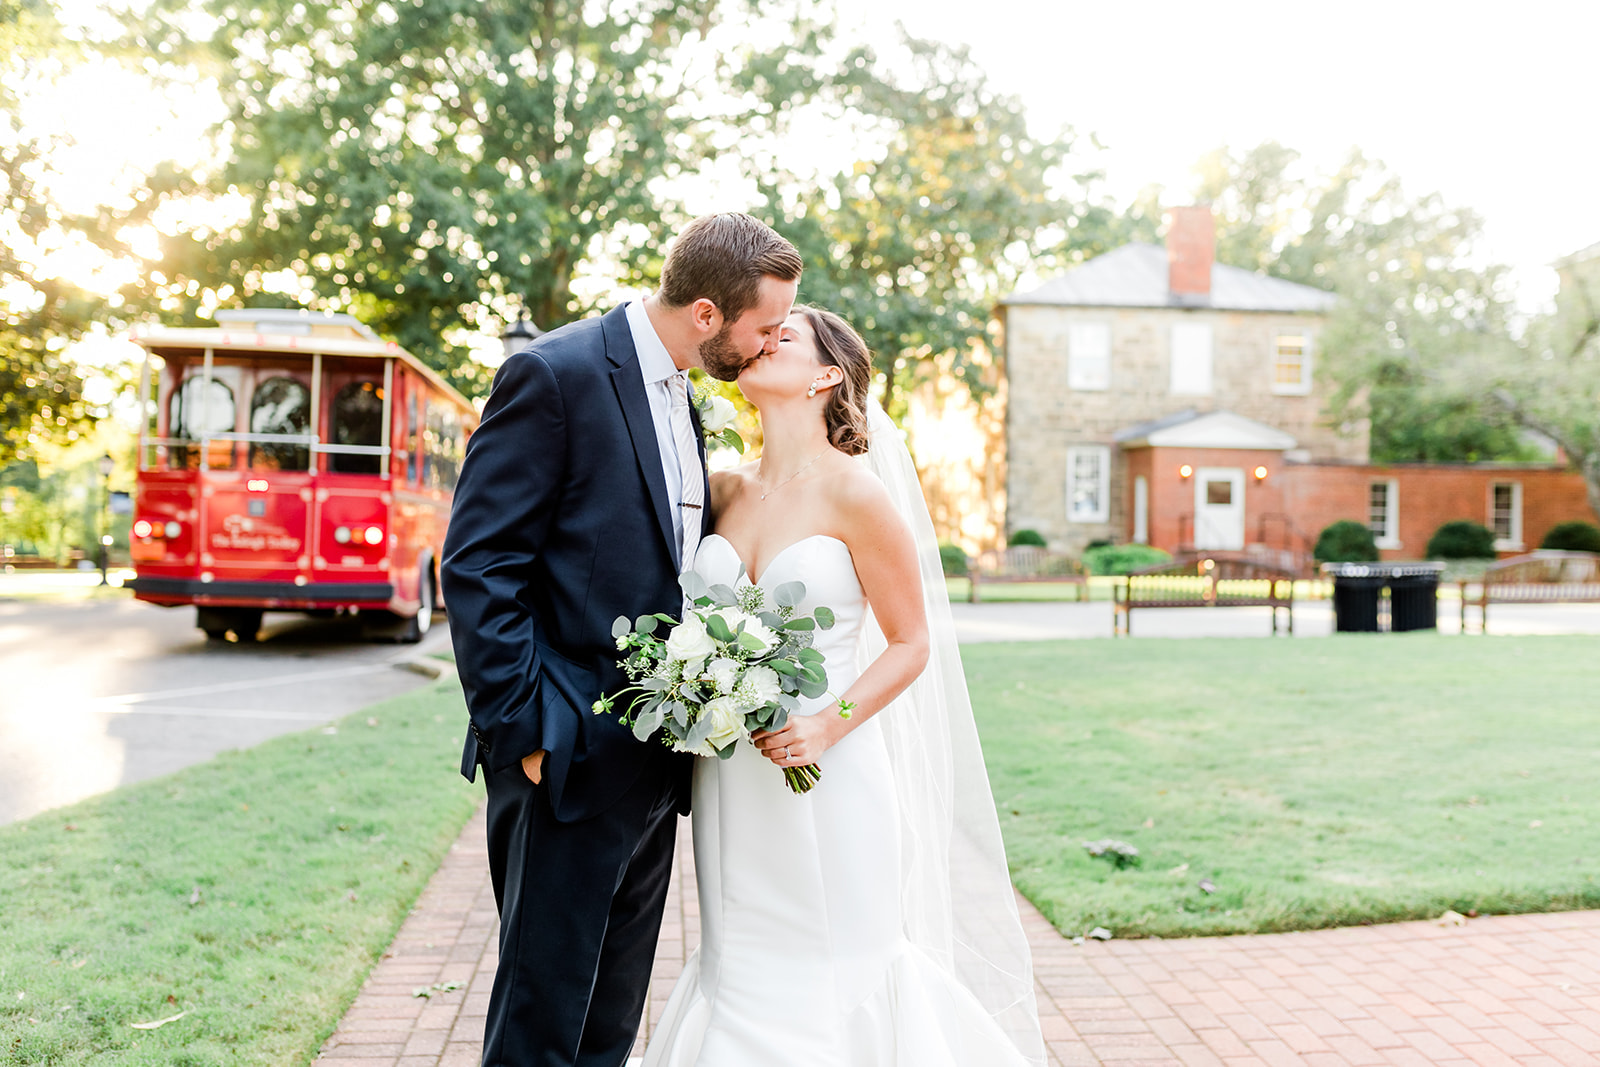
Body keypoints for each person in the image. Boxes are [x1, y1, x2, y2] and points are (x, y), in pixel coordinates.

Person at [441, 213, 803, 1067]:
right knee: (543, 1021)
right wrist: (528, 730)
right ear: (709, 313)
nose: (769, 344)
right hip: (563, 758)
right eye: (764, 328)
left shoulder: (685, 396)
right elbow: (479, 564)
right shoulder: (554, 372)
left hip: (655, 763)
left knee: (610, 1020)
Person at [643, 306, 1046, 1065]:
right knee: (740, 957)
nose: (761, 341)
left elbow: (911, 642)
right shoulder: (720, 490)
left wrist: (828, 723)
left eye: (782, 336)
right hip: (731, 772)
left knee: (841, 961)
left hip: (830, 768)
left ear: (827, 376)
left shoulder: (859, 495)